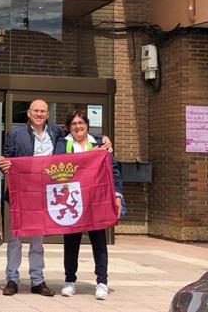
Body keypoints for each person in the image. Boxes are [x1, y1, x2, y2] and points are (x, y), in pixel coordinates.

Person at [0, 99, 113, 297]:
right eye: (36, 111)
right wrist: (3, 164)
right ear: (28, 113)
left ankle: (37, 280)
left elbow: (78, 134)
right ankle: (12, 279)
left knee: (37, 240)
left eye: (43, 111)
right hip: (22, 194)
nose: (39, 114)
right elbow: (6, 159)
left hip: (44, 195)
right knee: (15, 238)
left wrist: (103, 138)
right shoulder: (15, 133)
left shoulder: (55, 132)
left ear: (48, 114)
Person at [53, 110, 123, 300]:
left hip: (95, 200)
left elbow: (113, 170)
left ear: (87, 125)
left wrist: (117, 195)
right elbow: (58, 163)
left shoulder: (99, 143)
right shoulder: (63, 143)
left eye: (81, 123)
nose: (78, 126)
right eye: (74, 123)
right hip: (73, 201)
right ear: (69, 127)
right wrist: (88, 155)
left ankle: (102, 282)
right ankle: (69, 281)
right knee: (71, 243)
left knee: (99, 242)